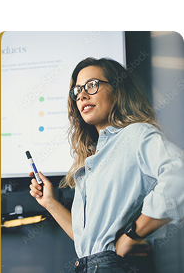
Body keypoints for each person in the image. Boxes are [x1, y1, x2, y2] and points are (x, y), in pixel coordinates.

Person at [29, 57, 184, 272]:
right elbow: (88, 243)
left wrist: (132, 236)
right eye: (77, 90)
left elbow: (179, 175)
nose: (82, 95)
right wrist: (50, 203)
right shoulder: (93, 158)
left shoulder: (136, 134)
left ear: (118, 90)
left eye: (92, 85)